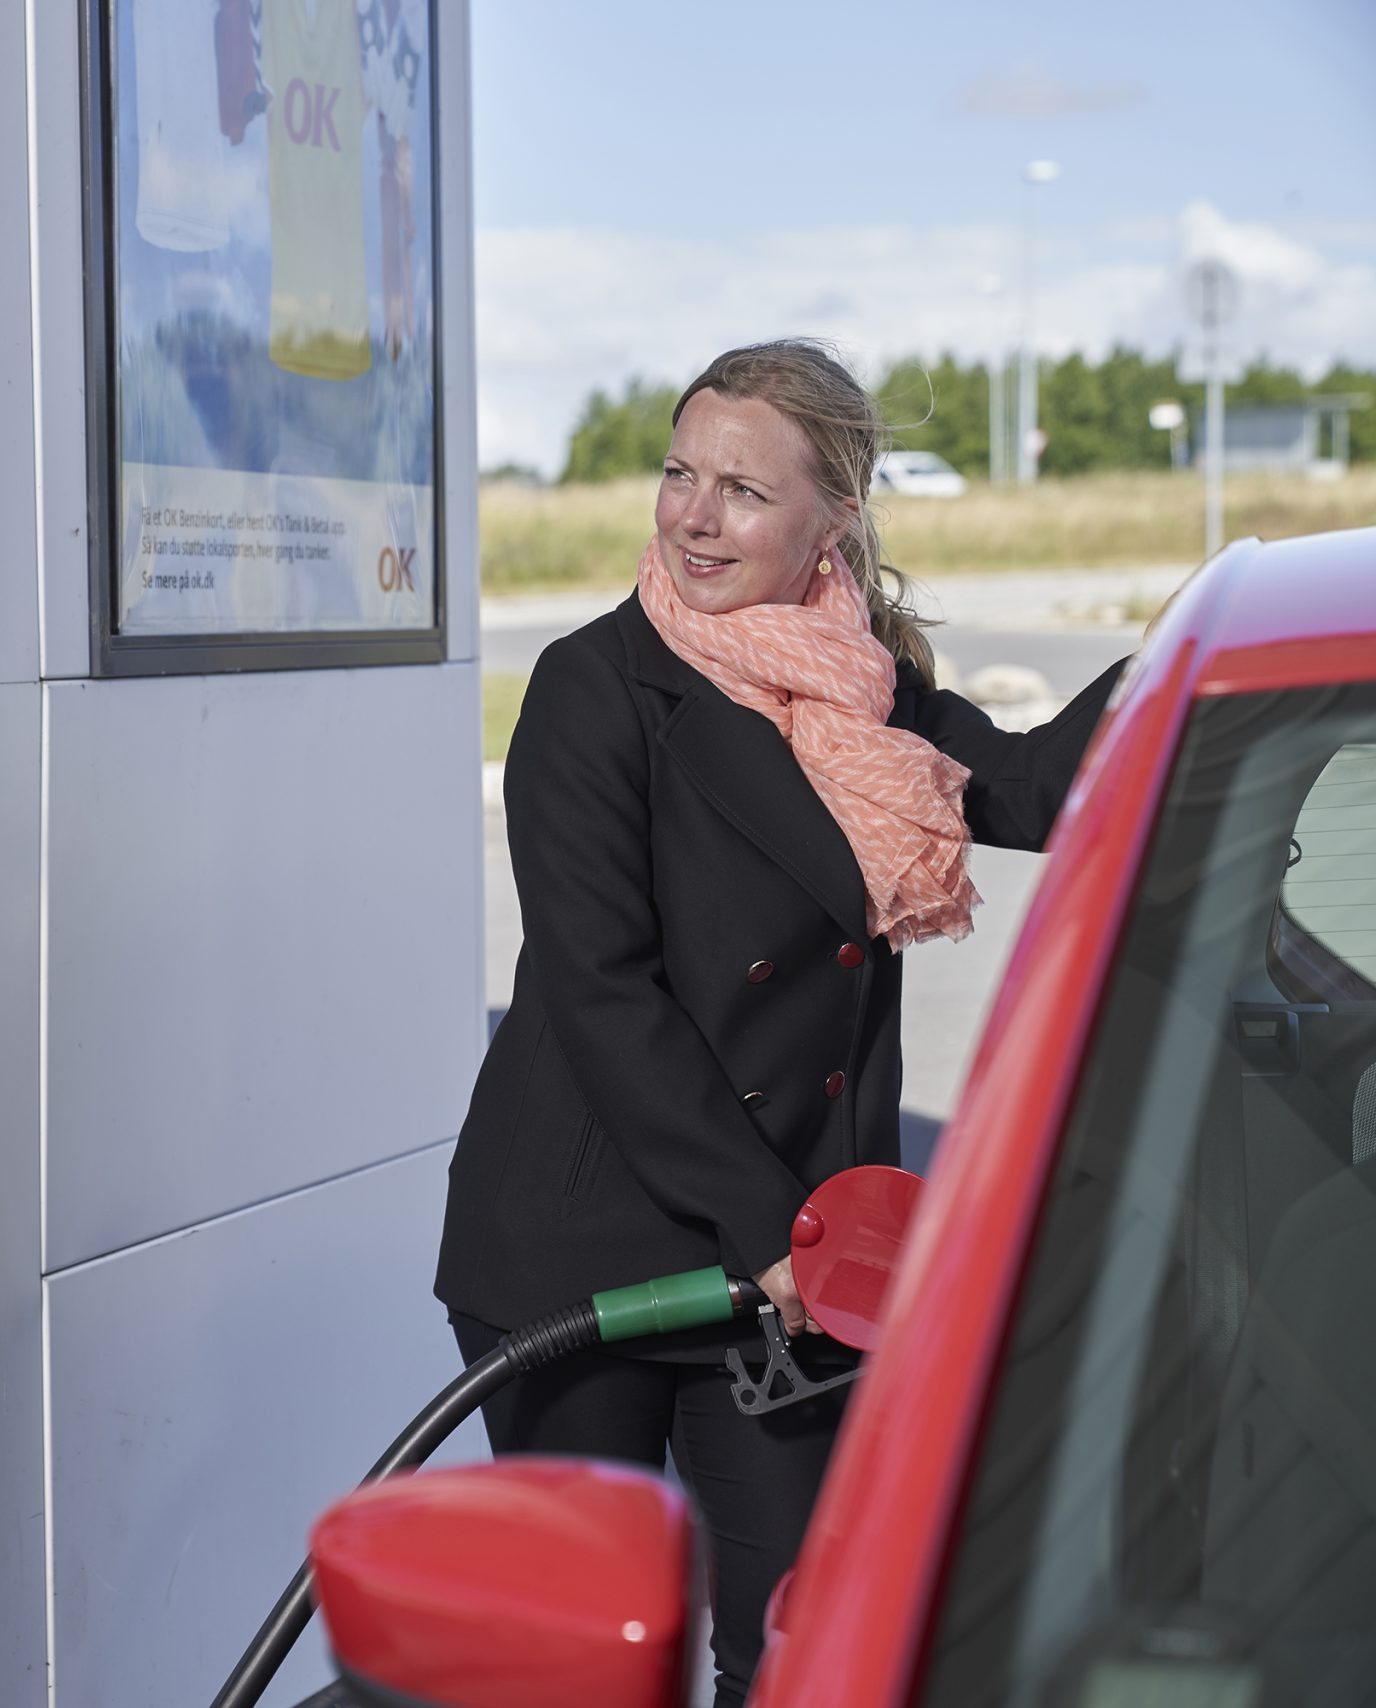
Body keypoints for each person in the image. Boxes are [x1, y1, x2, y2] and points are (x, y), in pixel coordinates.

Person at [434, 339, 1137, 1705]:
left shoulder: (864, 691)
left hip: (785, 1271)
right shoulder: (597, 690)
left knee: (803, 1646)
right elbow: (601, 994)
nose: (693, 518)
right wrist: (775, 1242)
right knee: (586, 1657)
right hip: (596, 1256)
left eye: (744, 492)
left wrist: (1189, 649)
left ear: (835, 520)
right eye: (679, 475)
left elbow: (1041, 794)